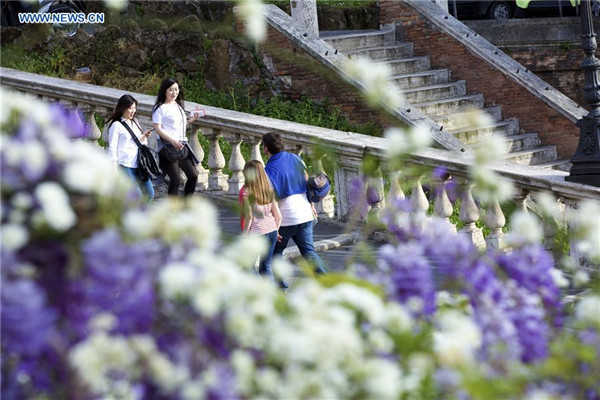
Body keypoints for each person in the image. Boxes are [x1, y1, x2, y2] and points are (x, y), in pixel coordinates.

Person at [262, 132, 326, 288]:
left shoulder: (268, 171)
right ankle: (326, 283)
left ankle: (280, 287)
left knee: (275, 255)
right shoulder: (297, 159)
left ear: (265, 149)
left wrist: (273, 227)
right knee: (309, 253)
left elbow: (272, 203)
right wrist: (311, 206)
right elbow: (307, 184)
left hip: (285, 220)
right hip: (305, 215)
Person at [152, 77, 200, 197]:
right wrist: (172, 140)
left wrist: (191, 120)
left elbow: (179, 126)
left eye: (176, 89)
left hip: (182, 145)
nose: (174, 93)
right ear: (164, 91)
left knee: (193, 175)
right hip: (167, 147)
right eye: (171, 90)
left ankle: (187, 205)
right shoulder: (160, 108)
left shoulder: (178, 106)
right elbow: (158, 129)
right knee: (175, 180)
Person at [107, 94, 155, 202]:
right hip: (124, 165)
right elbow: (112, 148)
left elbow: (140, 142)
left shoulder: (135, 122)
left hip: (138, 164)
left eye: (134, 108)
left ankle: (137, 215)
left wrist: (143, 137)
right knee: (134, 195)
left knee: (150, 193)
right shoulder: (116, 126)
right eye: (130, 108)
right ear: (123, 108)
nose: (133, 111)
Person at [240, 160, 282, 280]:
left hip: (257, 233)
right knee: (266, 266)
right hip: (272, 231)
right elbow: (278, 216)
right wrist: (276, 230)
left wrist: (244, 236)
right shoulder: (269, 191)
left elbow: (249, 217)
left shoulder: (247, 192)